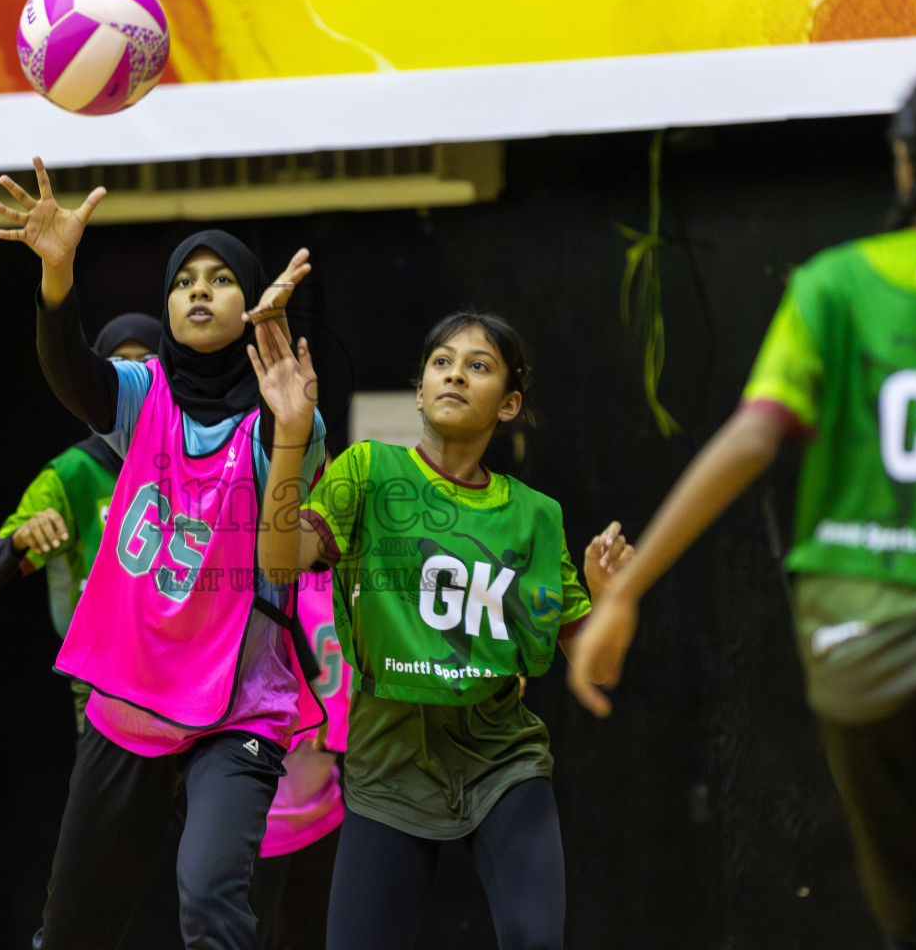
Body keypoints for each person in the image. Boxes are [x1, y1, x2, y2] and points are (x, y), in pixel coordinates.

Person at [568, 63, 916, 949]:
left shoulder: (836, 284)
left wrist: (629, 590)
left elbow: (750, 439)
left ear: (909, 164)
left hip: (855, 645)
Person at [0, 159, 326, 950]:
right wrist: (58, 272)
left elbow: (282, 555)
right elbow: (71, 372)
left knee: (211, 903)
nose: (199, 291)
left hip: (241, 704)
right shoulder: (144, 395)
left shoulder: (286, 418)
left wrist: (288, 427)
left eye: (220, 280)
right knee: (73, 929)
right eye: (184, 281)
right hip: (132, 694)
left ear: (251, 304)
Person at [248, 309, 632, 950]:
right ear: (420, 390)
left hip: (502, 763)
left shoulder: (536, 517)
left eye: (478, 366)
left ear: (508, 404)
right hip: (387, 768)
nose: (456, 374)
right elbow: (278, 559)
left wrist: (612, 600)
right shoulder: (368, 472)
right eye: (442, 362)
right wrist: (291, 431)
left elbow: (598, 669)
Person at [0, 312, 160, 730]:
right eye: (116, 364)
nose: (133, 375)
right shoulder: (72, 474)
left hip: (190, 675)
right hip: (103, 686)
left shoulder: (195, 460)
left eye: (147, 363)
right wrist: (20, 540)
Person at [250, 563, 350, 950]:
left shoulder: (357, 573)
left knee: (309, 933)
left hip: (323, 807)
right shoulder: (260, 571)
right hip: (257, 818)